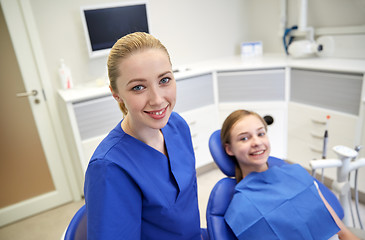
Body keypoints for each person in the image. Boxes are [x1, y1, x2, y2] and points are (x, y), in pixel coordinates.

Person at [84, 32, 201, 240]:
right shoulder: (110, 168)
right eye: (138, 87)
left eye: (164, 80)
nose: (157, 100)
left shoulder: (177, 126)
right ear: (116, 93)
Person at [220, 109, 359, 240]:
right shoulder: (240, 209)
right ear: (229, 149)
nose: (256, 142)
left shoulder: (297, 174)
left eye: (261, 134)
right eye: (244, 138)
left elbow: (340, 229)